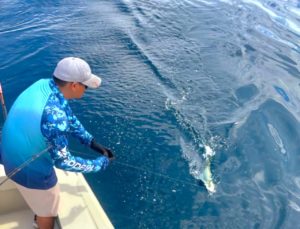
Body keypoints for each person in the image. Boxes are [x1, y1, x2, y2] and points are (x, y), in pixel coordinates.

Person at [1, 57, 114, 229]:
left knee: (41, 204)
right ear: (74, 85)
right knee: (49, 211)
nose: (86, 89)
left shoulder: (44, 85)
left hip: (7, 154)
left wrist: (92, 142)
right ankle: (41, 221)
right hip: (27, 171)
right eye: (86, 86)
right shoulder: (54, 117)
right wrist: (100, 164)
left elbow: (69, 117)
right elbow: (64, 161)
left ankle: (37, 209)